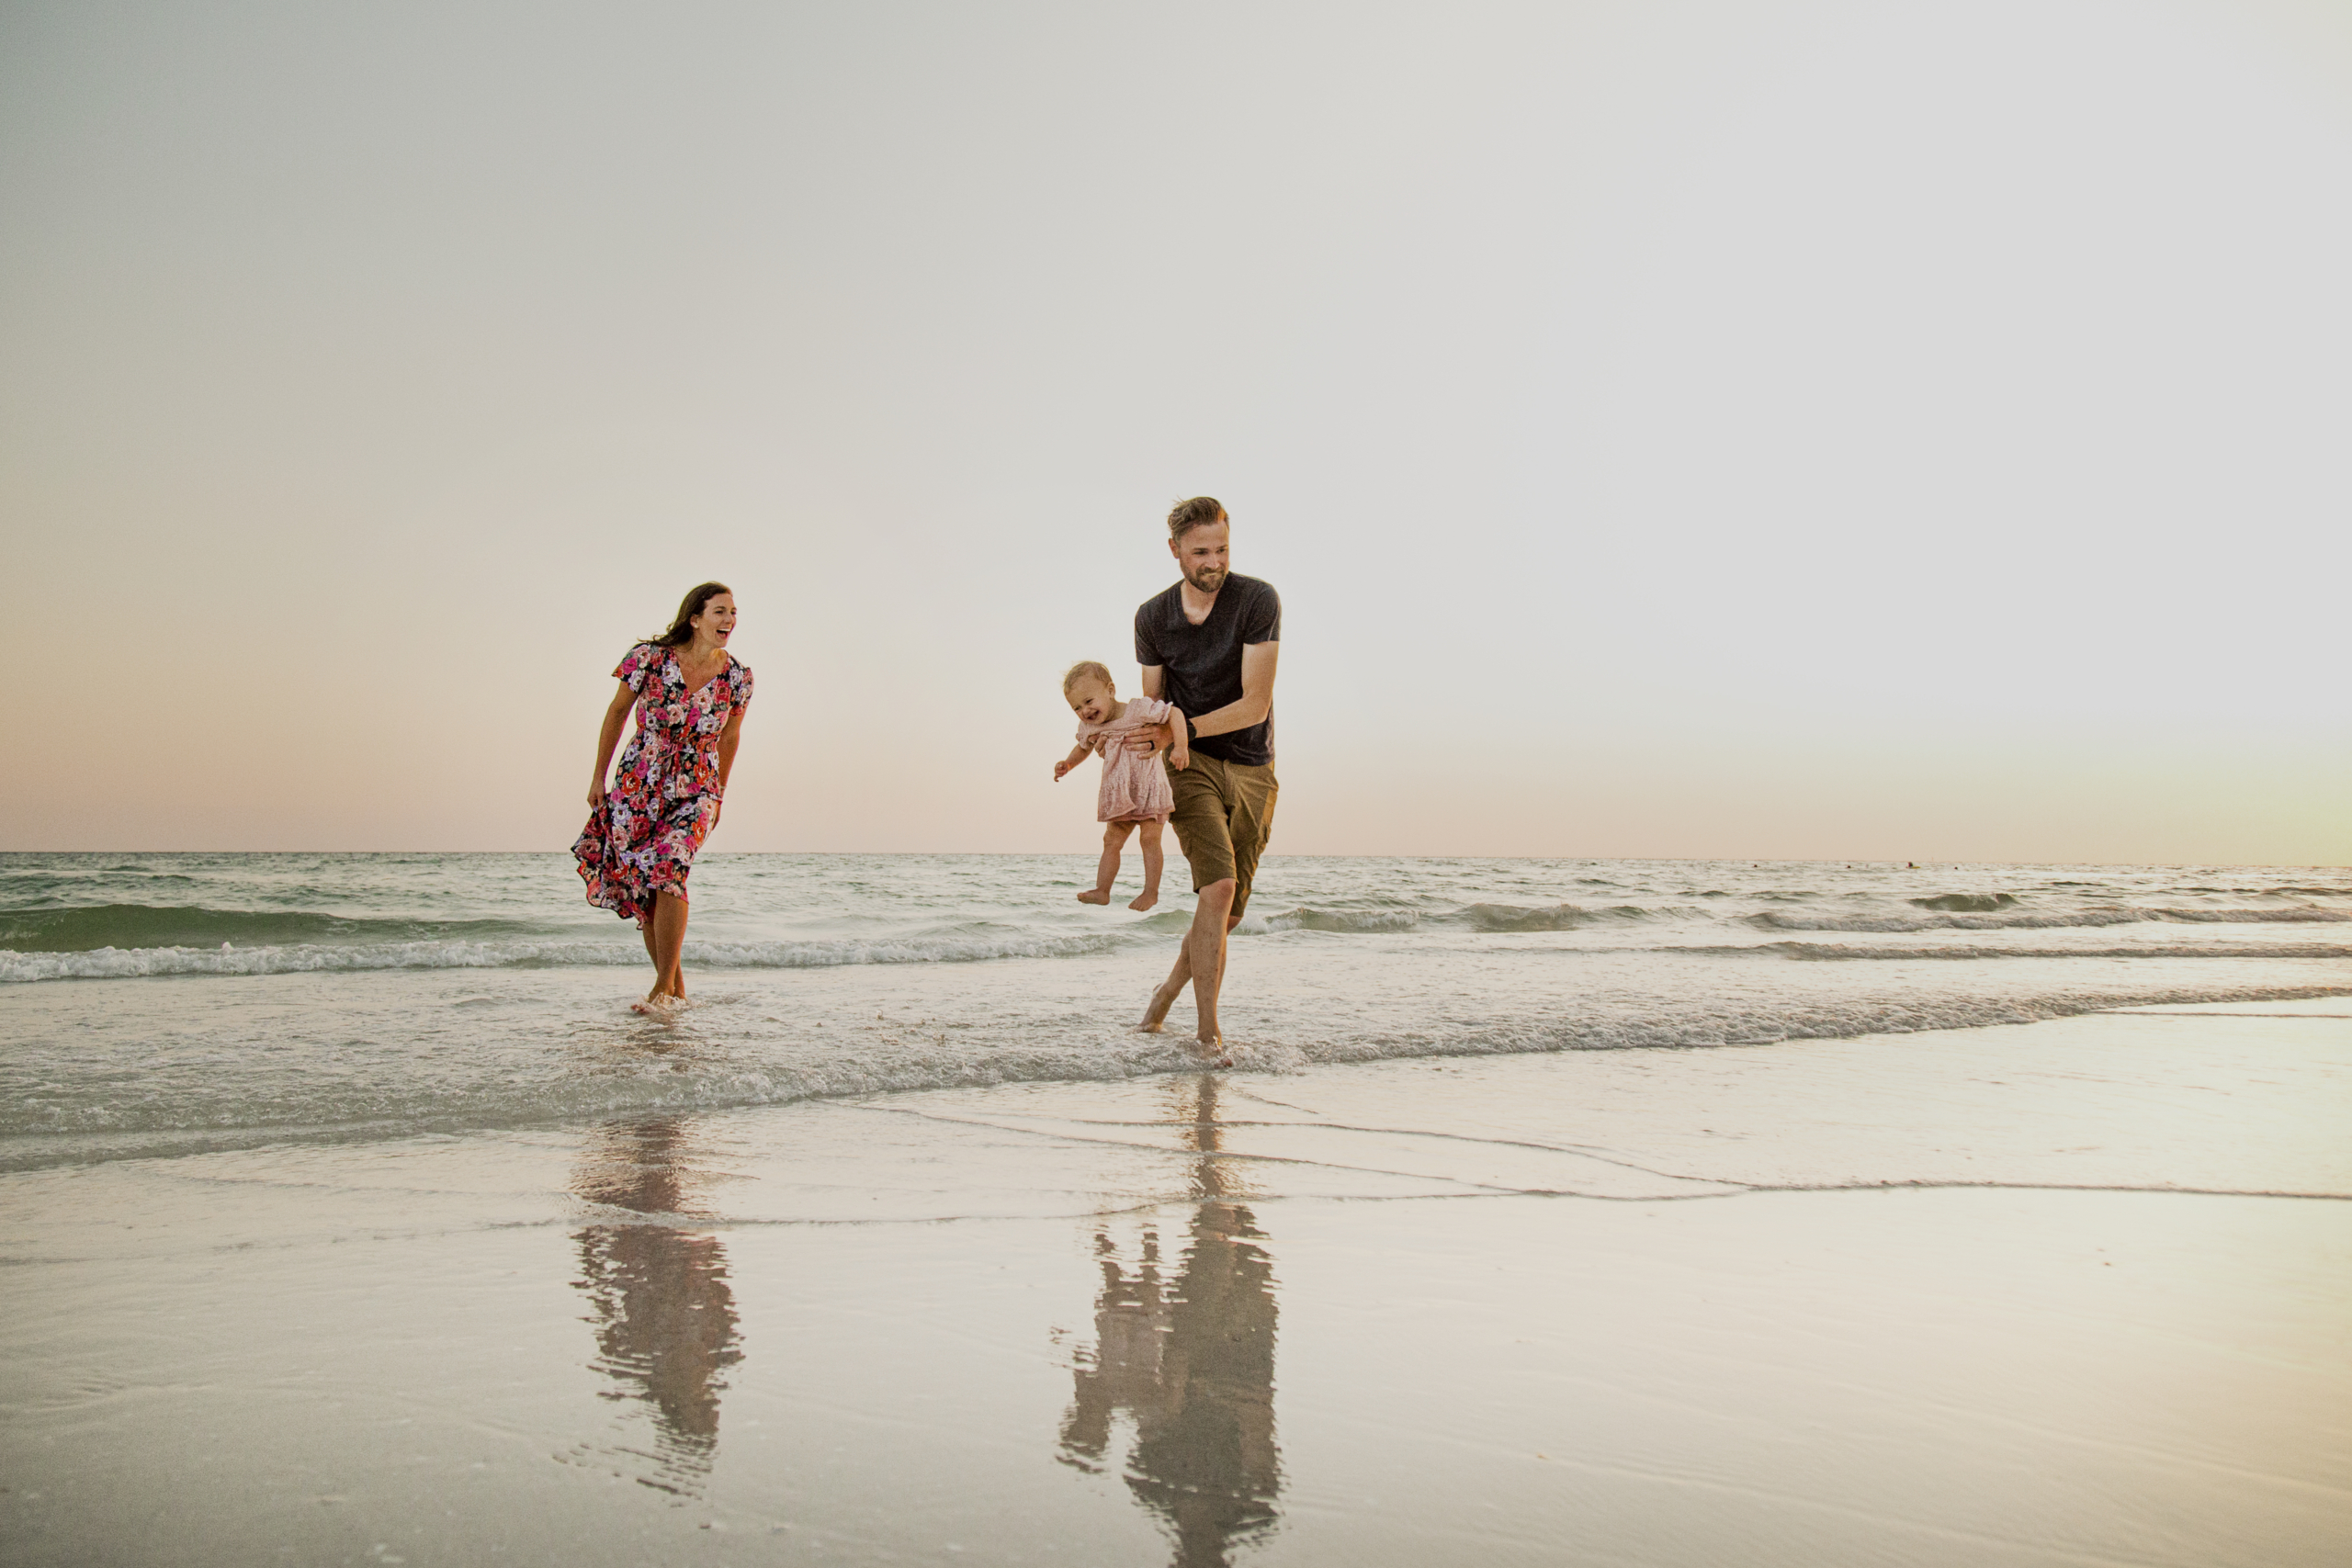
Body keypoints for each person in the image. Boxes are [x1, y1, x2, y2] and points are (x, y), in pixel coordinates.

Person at [1128, 497, 1280, 1055]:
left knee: (1229, 912)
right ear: (1175, 551)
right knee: (1215, 887)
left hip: (1251, 764)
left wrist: (1182, 727)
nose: (1213, 562)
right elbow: (1153, 706)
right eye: (1200, 552)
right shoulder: (1152, 618)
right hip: (1186, 766)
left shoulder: (1257, 600)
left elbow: (1255, 704)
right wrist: (1119, 740)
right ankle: (1208, 1035)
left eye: (1221, 549)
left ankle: (1166, 992)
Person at [573, 582, 752, 1013]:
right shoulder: (648, 659)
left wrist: (720, 795)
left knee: (670, 867)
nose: (729, 620)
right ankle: (676, 992)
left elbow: (730, 736)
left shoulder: (738, 677)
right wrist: (598, 777)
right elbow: (617, 713)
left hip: (698, 787)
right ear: (694, 618)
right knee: (649, 886)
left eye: (733, 612)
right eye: (719, 612)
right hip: (640, 780)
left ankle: (660, 989)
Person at [1053, 661, 1187, 911]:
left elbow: (1175, 714)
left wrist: (1180, 746)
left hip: (1148, 787)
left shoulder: (1138, 710)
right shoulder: (1091, 727)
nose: (1085, 711)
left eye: (1089, 701)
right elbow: (1084, 747)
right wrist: (1068, 764)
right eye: (1077, 708)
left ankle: (1150, 892)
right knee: (1111, 840)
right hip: (1118, 792)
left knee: (1149, 839)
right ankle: (1102, 891)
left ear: (1110, 690)